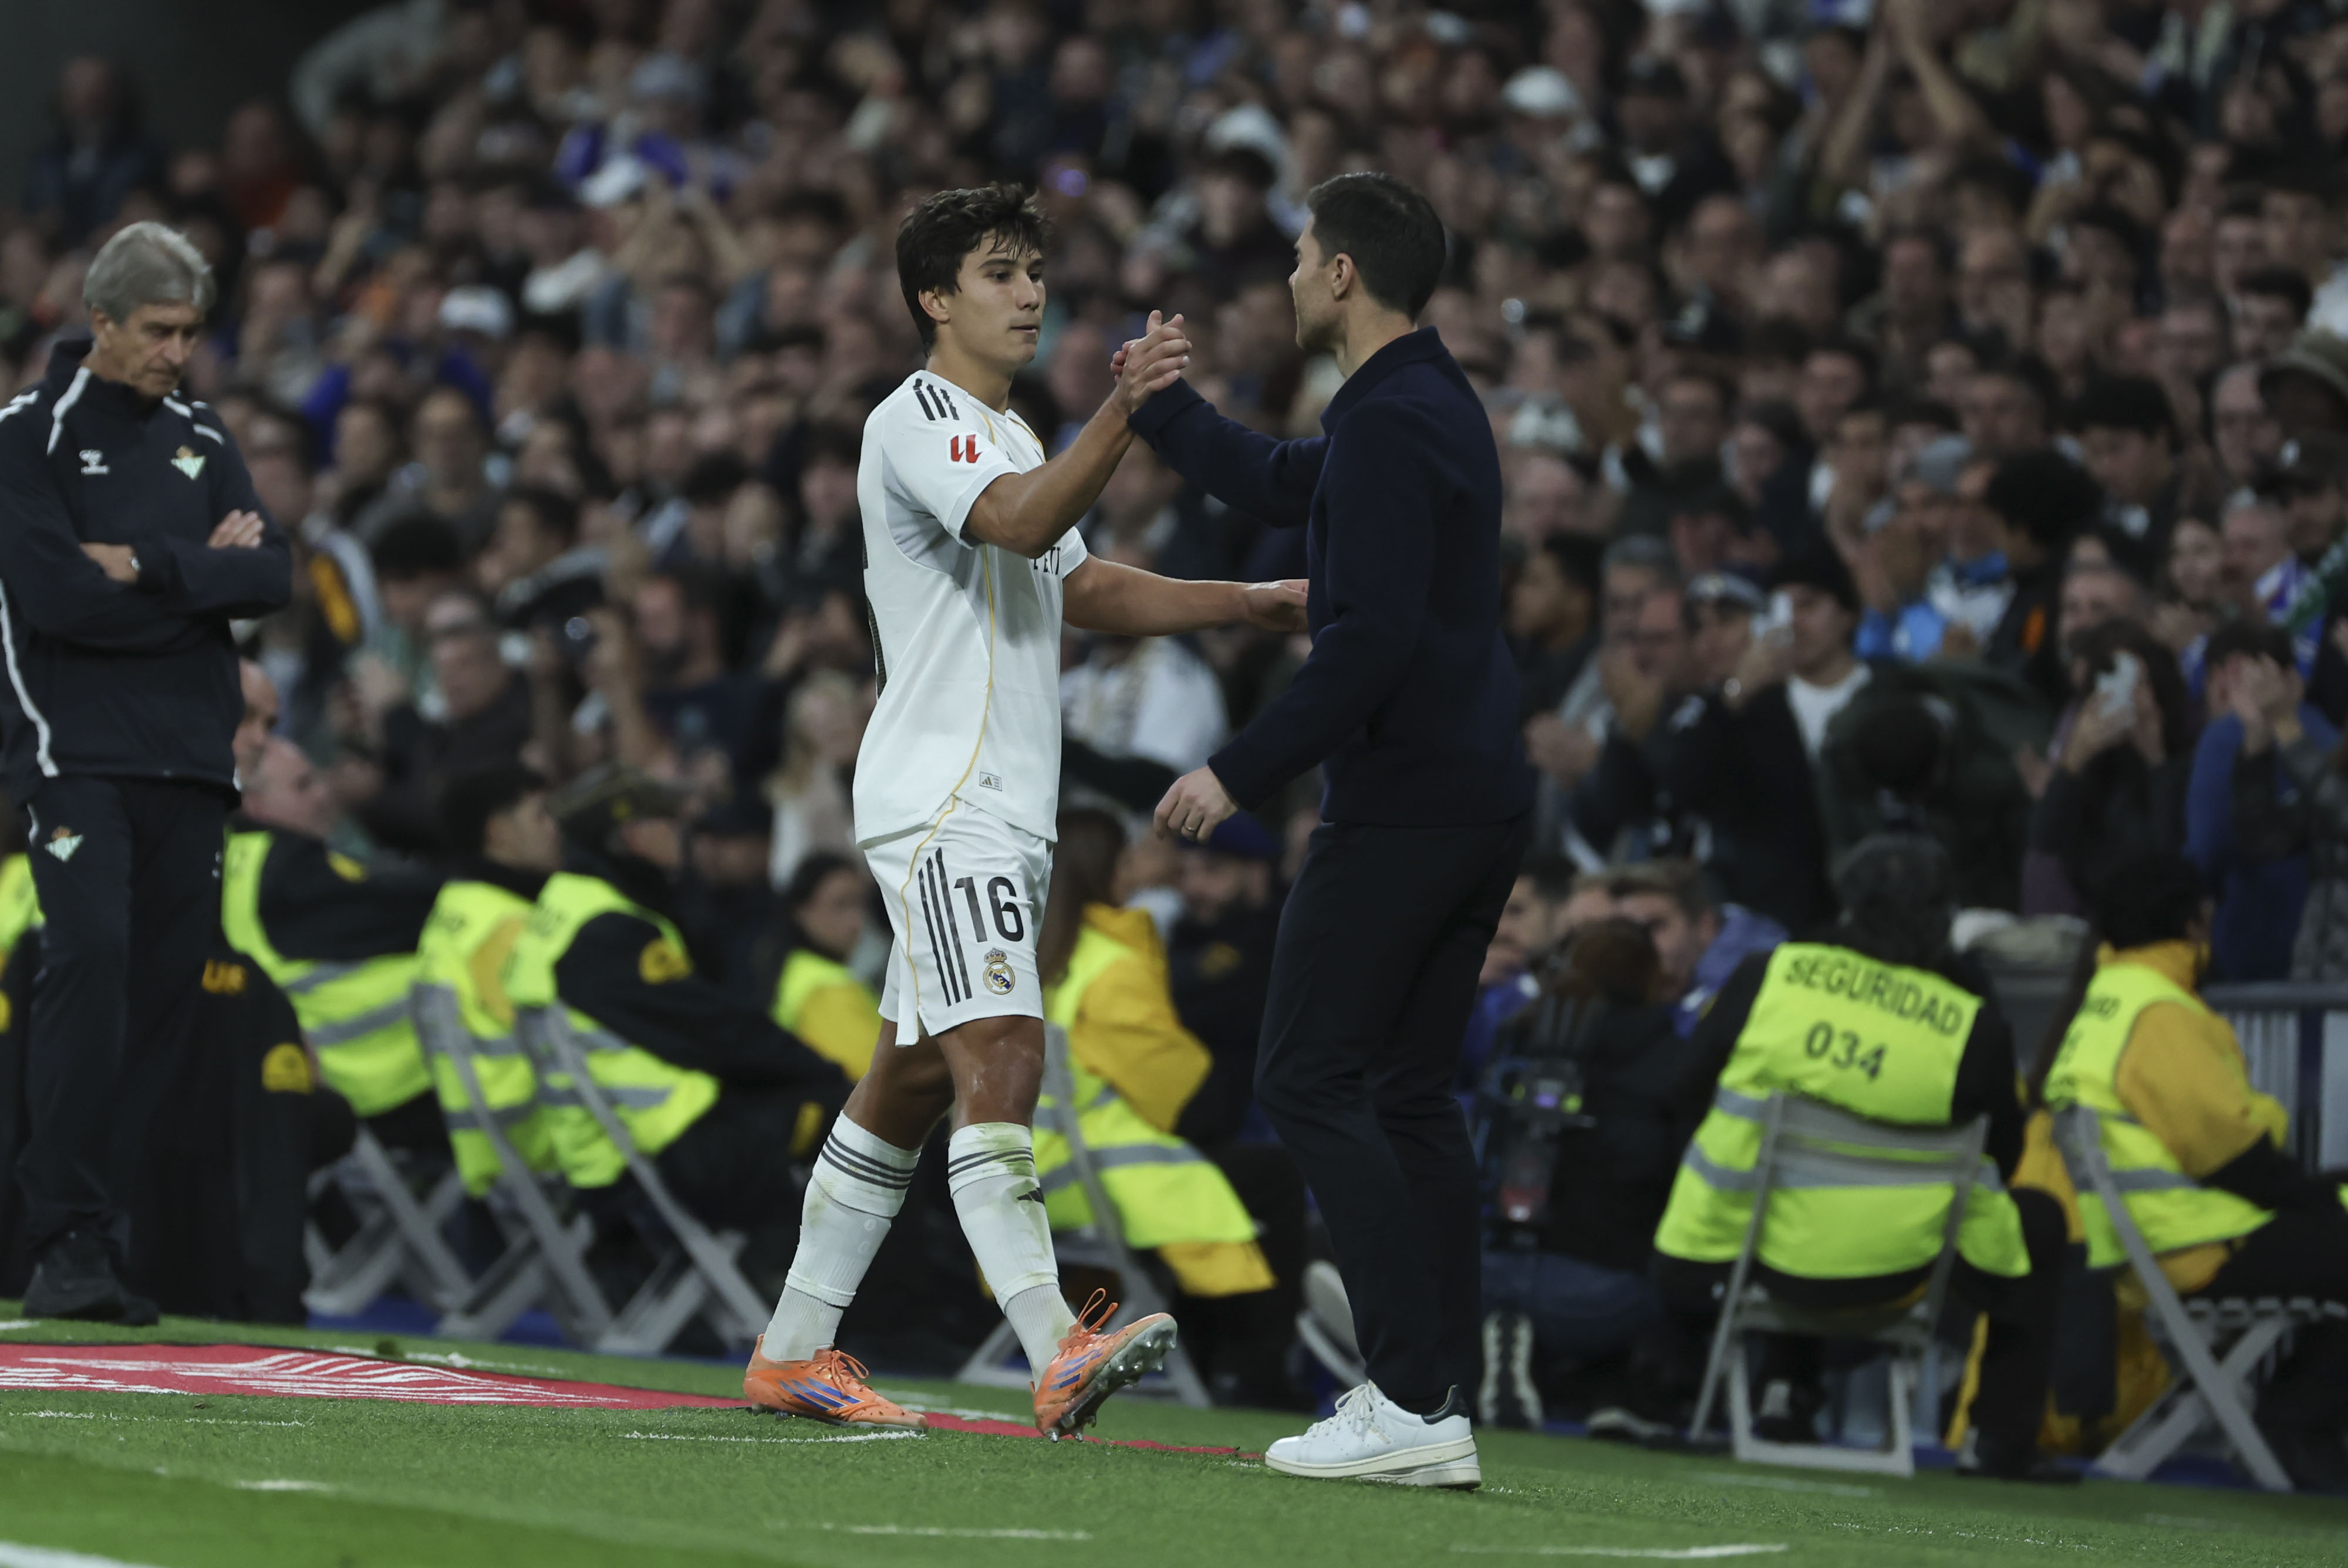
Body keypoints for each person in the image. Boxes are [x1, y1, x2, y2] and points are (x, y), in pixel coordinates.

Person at [743, 183, 1308, 1437]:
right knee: (1005, 1050)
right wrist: (1126, 407)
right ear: (933, 299)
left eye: (1036, 271)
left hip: (995, 795)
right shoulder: (922, 420)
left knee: (905, 1084)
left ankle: (791, 1347)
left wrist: (1245, 602)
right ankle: (1054, 1341)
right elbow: (1018, 523)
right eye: (999, 272)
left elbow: (1081, 583)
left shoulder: (1005, 432)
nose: (1030, 292)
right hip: (947, 794)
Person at [1135, 171, 1533, 1487]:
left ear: (1345, 276)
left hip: (1405, 799)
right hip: (1474, 790)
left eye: (1304, 256)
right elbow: (1275, 476)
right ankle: (1437, 1399)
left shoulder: (1390, 419)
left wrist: (1235, 769)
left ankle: (1405, 1396)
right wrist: (1163, 406)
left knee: (1306, 1076)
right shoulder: (1419, 404)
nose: (1293, 274)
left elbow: (1362, 645)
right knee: (1412, 1094)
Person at [0, 222, 292, 1324]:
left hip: (190, 763)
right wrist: (199, 584)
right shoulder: (25, 438)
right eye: (160, 332)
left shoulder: (201, 431)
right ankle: (61, 1233)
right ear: (102, 320)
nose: (179, 353)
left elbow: (273, 572)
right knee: (89, 960)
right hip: (74, 753)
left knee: (164, 1005)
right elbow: (56, 601)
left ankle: (103, 1239)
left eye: (192, 333)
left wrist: (151, 567)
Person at [1651, 836, 2072, 1483]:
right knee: (2037, 1217)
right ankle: (1999, 1442)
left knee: (1788, 1193)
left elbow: (1680, 1090)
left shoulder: (1771, 976)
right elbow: (2005, 1156)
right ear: (1943, 914)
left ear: (1847, 901)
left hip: (1734, 1260)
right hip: (1900, 1275)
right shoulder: (1973, 1028)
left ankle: (1728, 1390)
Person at [2042, 854, 2348, 1490]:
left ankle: (2292, 1418)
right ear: (2190, 924)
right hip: (2198, 1245)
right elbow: (2233, 1155)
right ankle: (2297, 1421)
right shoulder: (2159, 1011)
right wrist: (2317, 1205)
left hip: (2149, 1246)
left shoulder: (2106, 1001)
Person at [504, 766, 852, 1246]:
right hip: (677, 1152)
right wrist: (822, 1070)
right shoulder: (609, 931)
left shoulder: (565, 909)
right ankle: (895, 1316)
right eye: (668, 823)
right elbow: (713, 1031)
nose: (682, 837)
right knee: (870, 1123)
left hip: (619, 1148)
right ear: (634, 837)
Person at [1035, 809, 1298, 1405]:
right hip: (1102, 1173)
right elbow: (1176, 1088)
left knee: (1230, 1171)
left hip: (1034, 1172)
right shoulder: (1113, 962)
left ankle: (1216, 1358)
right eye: (1133, 858)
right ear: (1111, 870)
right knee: (1271, 1175)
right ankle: (1254, 1372)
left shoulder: (1036, 953)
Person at [227, 735, 444, 1142]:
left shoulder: (238, 864)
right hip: (405, 1082)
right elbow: (416, 910)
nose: (325, 794)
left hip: (363, 1093)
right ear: (254, 805)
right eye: (304, 785)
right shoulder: (287, 876)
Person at [413, 765, 564, 1201]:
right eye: (541, 816)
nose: (555, 830)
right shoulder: (506, 927)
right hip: (539, 1138)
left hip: (491, 1142)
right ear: (498, 833)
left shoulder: (455, 908)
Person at [768, 850, 886, 1082]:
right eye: (841, 905)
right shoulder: (825, 986)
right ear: (802, 911)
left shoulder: (797, 971)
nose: (856, 921)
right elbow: (874, 1076)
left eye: (860, 904)